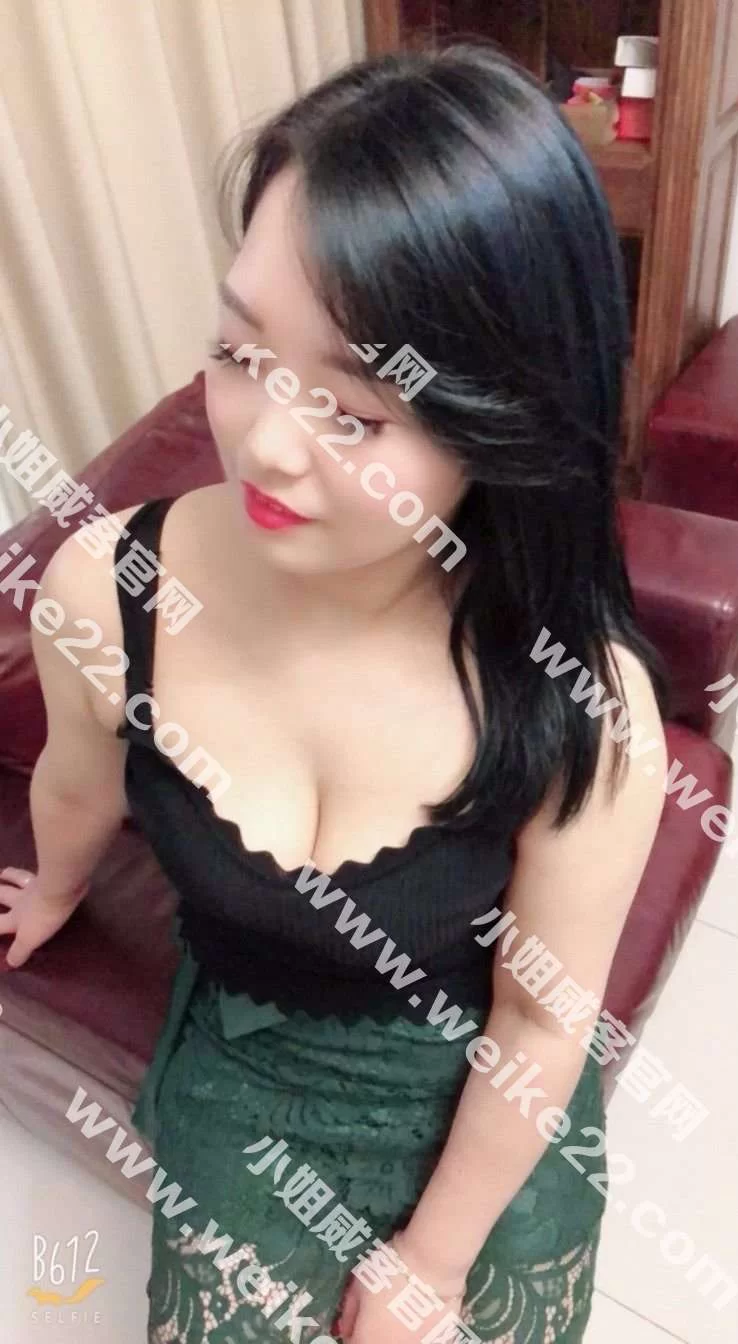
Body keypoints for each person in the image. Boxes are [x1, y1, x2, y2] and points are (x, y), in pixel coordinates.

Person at [0, 42, 668, 1344]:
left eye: (355, 414)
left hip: (480, 1120)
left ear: (508, 420)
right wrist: (61, 886)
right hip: (243, 1081)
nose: (265, 442)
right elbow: (78, 779)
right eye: (240, 351)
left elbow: (542, 1024)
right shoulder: (111, 588)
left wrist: (432, 1262)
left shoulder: (576, 704)